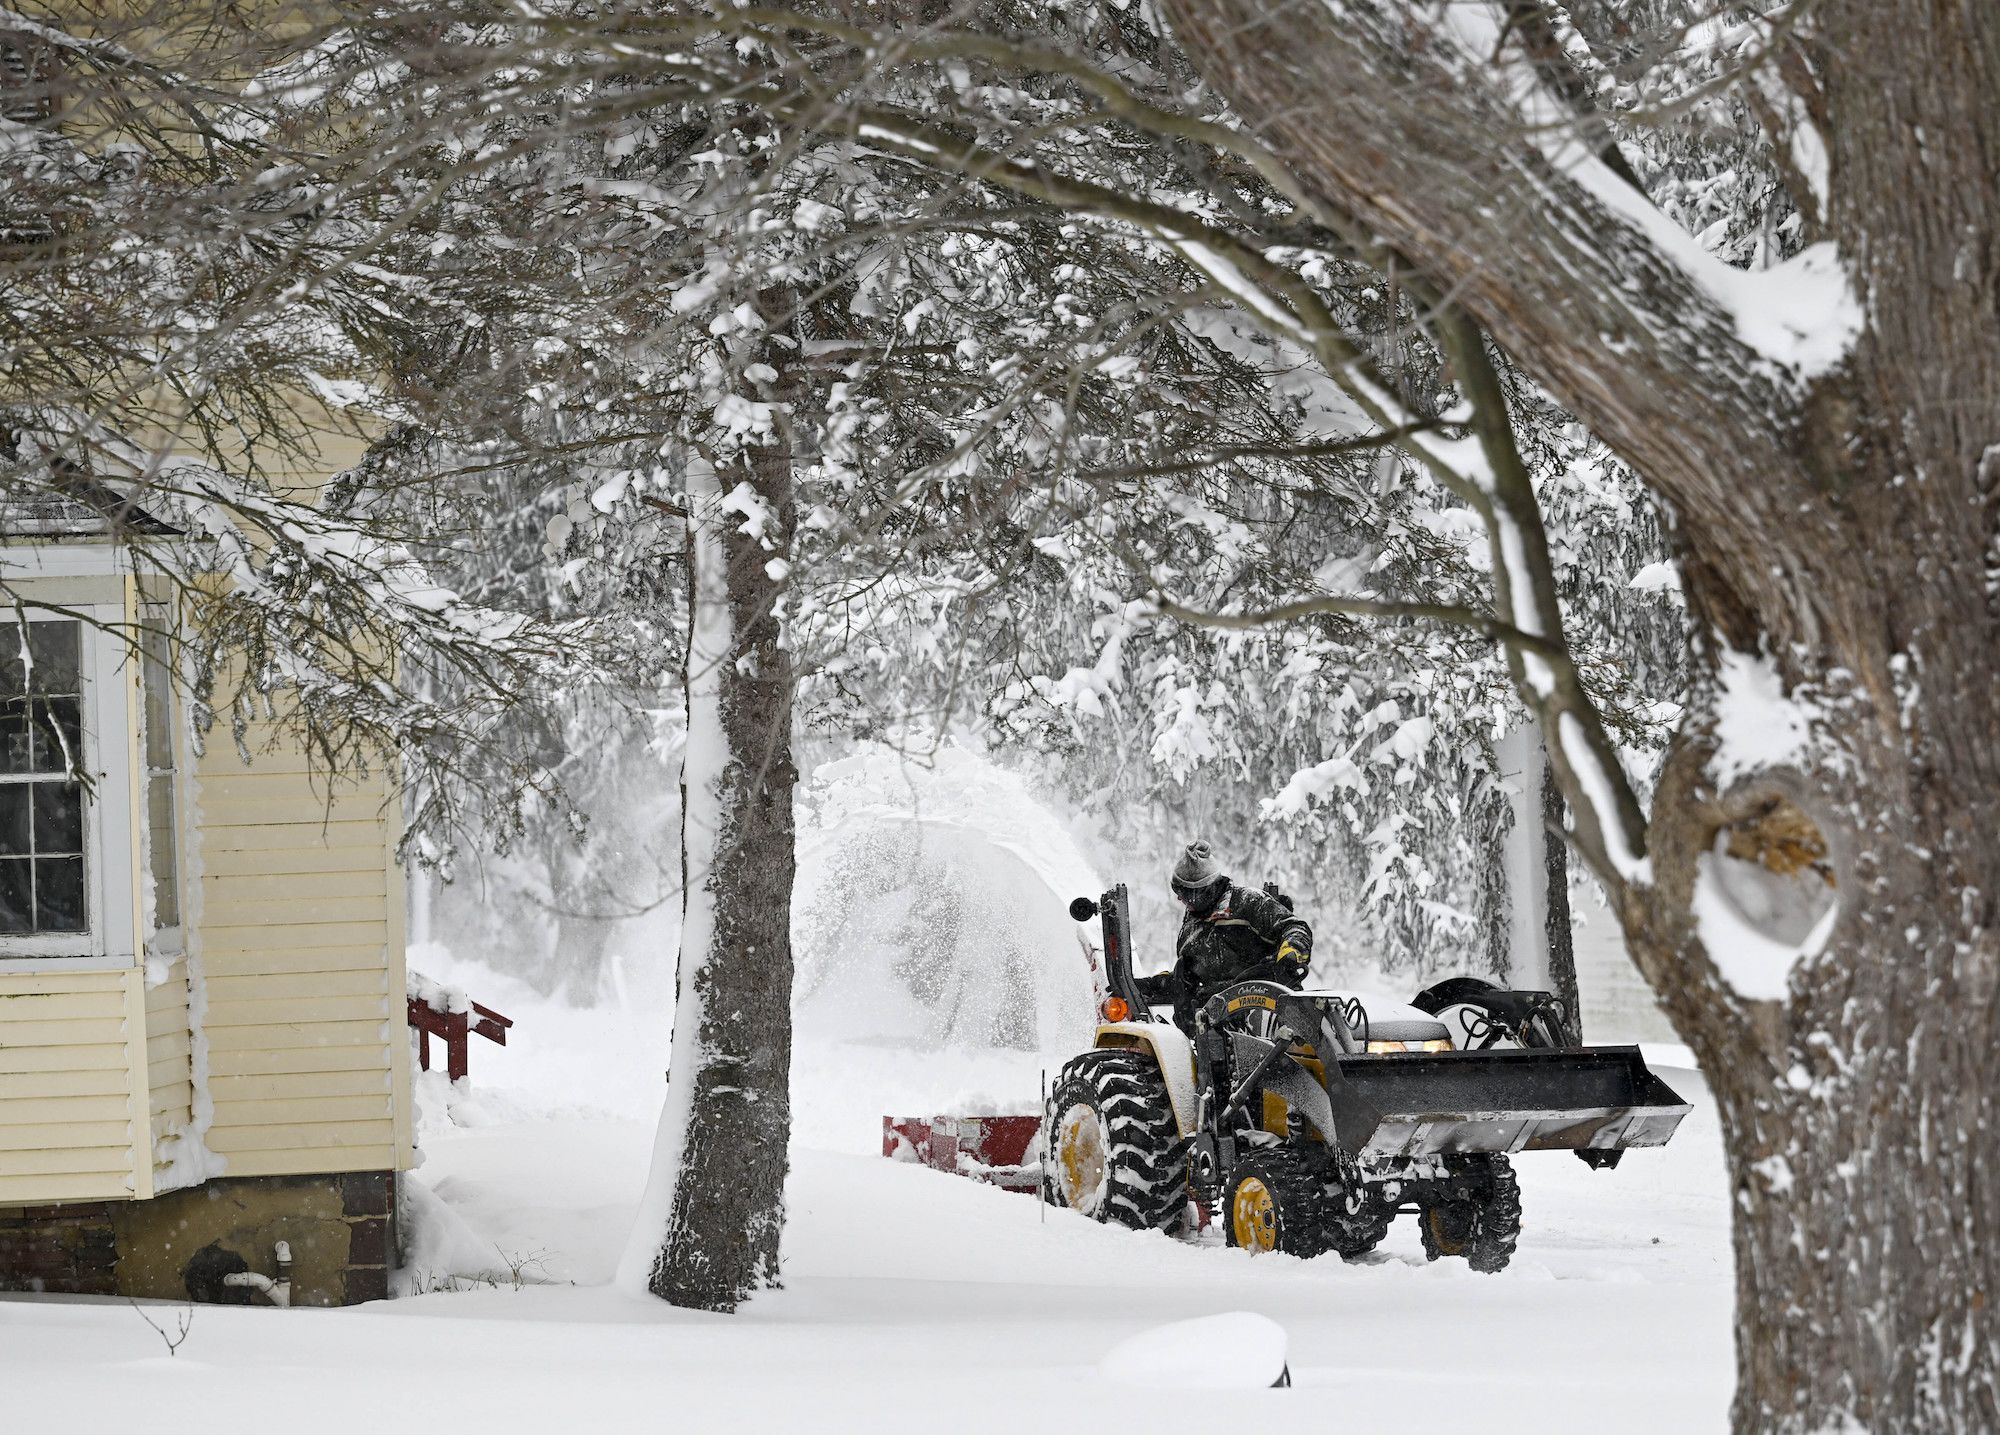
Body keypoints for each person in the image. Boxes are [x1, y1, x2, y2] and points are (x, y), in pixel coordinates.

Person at [1135, 840, 1313, 1032]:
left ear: (1204, 890)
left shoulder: (1248, 902)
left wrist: (1291, 951)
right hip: (1214, 1033)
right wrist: (1150, 986)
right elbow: (1187, 982)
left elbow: (1295, 928)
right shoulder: (1191, 927)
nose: (1180, 899)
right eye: (1176, 891)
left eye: (1184, 893)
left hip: (1265, 1018)